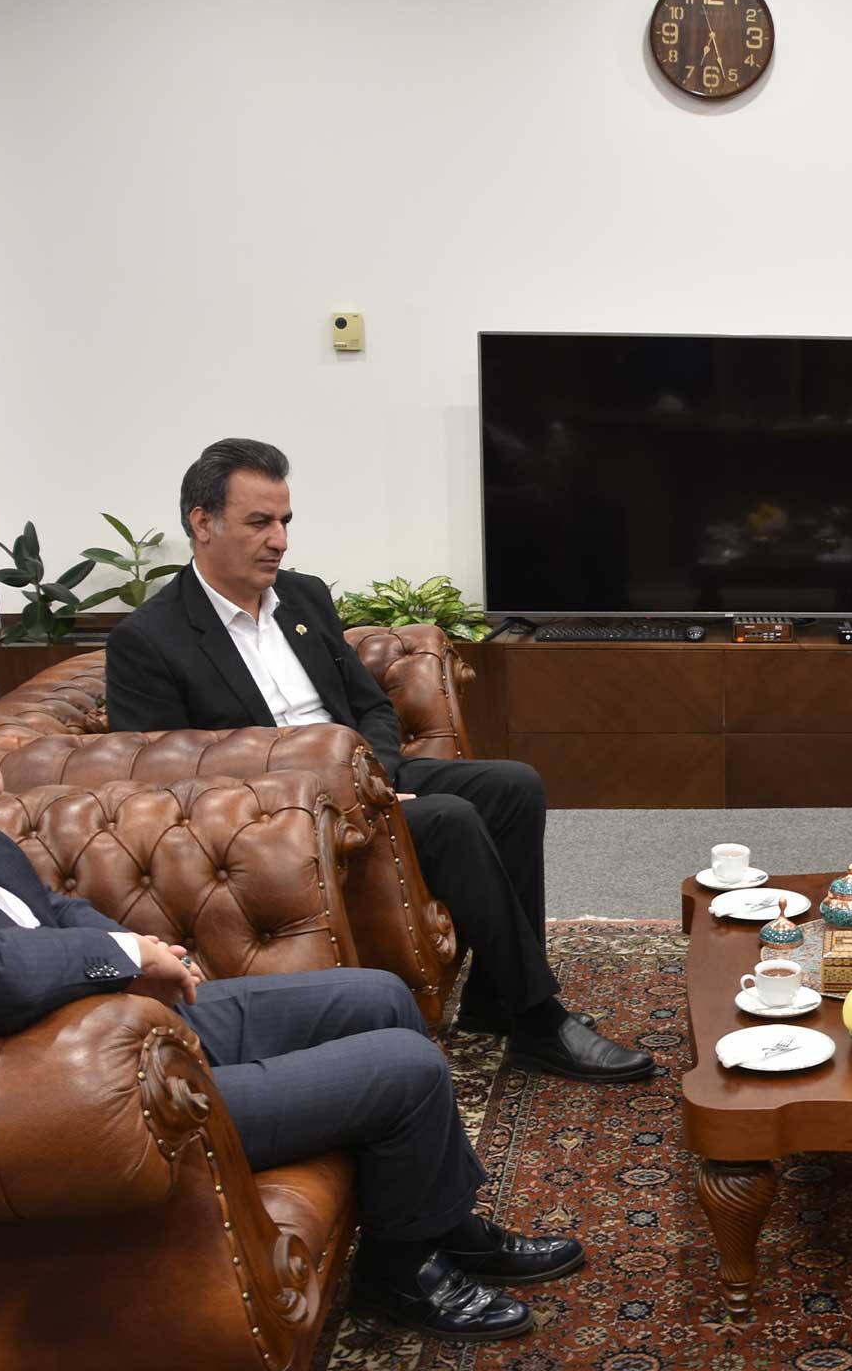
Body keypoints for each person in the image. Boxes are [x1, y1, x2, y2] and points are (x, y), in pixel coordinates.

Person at [0, 636, 584, 1343]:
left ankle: (441, 1225)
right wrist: (122, 958)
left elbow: (48, 909)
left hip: (113, 1026)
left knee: (375, 997)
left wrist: (135, 954)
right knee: (406, 1070)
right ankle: (402, 1272)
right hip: (89, 1093)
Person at [104, 438, 652, 1084]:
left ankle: (492, 1002)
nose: (280, 540)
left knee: (512, 785)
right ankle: (537, 1020)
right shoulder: (149, 639)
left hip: (363, 775)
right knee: (449, 819)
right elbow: (170, 782)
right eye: (259, 522)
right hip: (280, 817)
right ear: (203, 522)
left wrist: (376, 779)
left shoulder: (302, 598)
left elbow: (370, 706)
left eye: (285, 521)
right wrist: (342, 795)